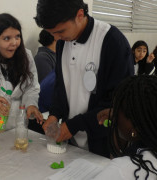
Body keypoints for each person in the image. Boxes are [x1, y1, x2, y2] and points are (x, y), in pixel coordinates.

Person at [34, 0, 134, 157]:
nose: (57, 38)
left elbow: (117, 101)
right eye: (52, 34)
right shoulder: (62, 42)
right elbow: (62, 86)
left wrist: (74, 125)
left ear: (79, 15)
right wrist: (54, 114)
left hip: (103, 143)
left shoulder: (112, 41)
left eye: (60, 31)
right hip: (72, 141)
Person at [94, 75, 157, 180]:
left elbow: (119, 167)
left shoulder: (121, 170)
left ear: (133, 129)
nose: (113, 113)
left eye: (117, 109)